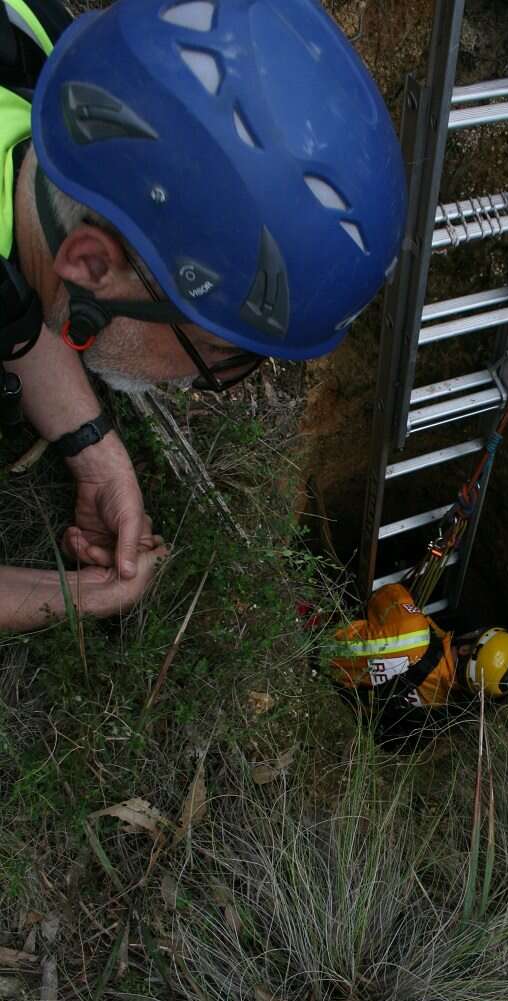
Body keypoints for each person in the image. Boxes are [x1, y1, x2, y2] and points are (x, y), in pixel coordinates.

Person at [0, 0, 406, 631]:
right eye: (215, 354)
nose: (198, 385)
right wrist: (86, 598)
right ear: (91, 263)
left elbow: (15, 309)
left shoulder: (47, 50)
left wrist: (95, 451)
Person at [328, 583, 508, 741]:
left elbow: (383, 593)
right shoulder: (440, 705)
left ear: (466, 648)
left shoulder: (413, 631)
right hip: (345, 694)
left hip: (323, 648)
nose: (472, 630)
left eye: (476, 633)